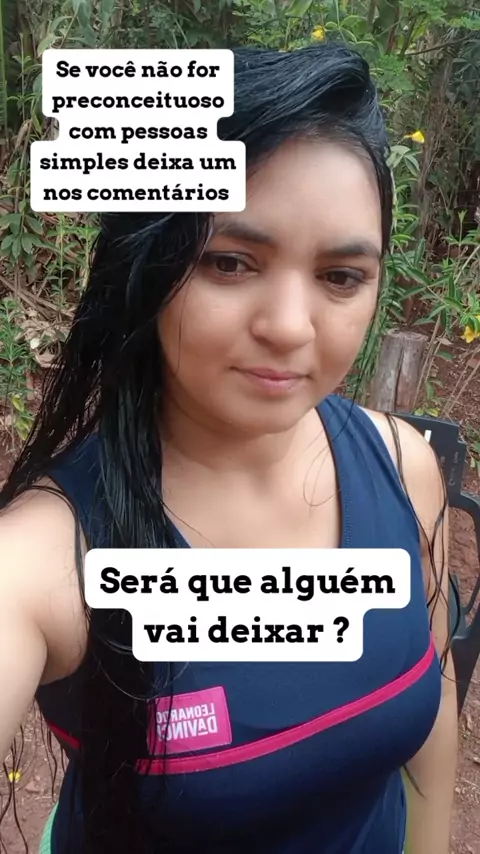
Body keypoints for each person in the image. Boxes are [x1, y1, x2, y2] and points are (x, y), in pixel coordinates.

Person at [0, 43, 457, 854]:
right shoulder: (43, 564)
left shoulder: (404, 469)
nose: (289, 326)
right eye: (230, 262)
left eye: (341, 276)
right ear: (148, 264)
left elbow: (431, 710)